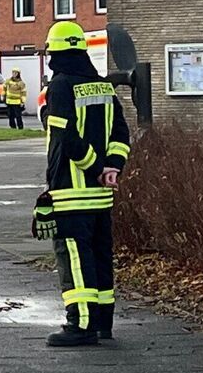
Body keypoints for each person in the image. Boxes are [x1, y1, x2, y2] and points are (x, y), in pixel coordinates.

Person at [31, 21, 131, 347]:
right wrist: (113, 167)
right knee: (101, 256)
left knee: (75, 257)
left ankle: (81, 324)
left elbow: (66, 137)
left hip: (72, 192)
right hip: (101, 196)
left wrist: (95, 167)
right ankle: (103, 323)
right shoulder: (103, 86)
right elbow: (121, 134)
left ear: (55, 53)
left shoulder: (60, 87)